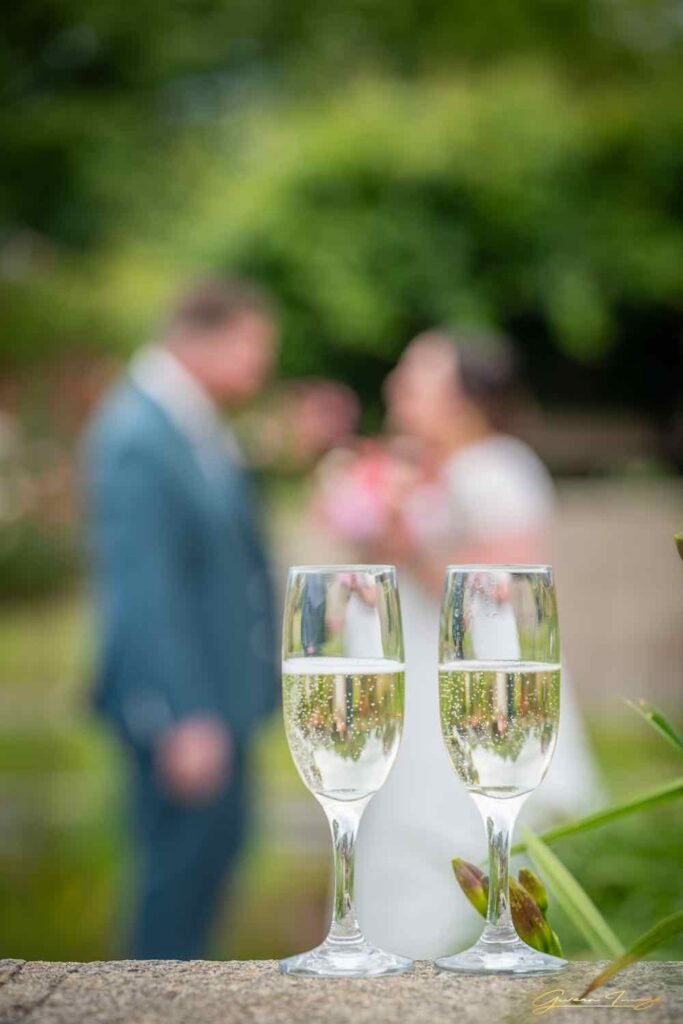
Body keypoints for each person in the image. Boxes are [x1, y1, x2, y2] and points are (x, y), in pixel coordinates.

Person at [354, 328, 600, 960]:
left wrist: (405, 541)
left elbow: (502, 588)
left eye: (415, 374)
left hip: (488, 685)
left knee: (468, 814)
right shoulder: (426, 469)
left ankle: (478, 941)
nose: (396, 385)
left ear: (460, 395)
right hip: (422, 677)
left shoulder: (499, 468)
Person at [84, 278, 279, 960]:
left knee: (212, 869)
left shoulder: (187, 419)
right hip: (185, 710)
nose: (263, 364)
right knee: (173, 886)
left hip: (222, 696)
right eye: (255, 344)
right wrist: (181, 713)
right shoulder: (139, 431)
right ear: (202, 338)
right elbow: (143, 586)